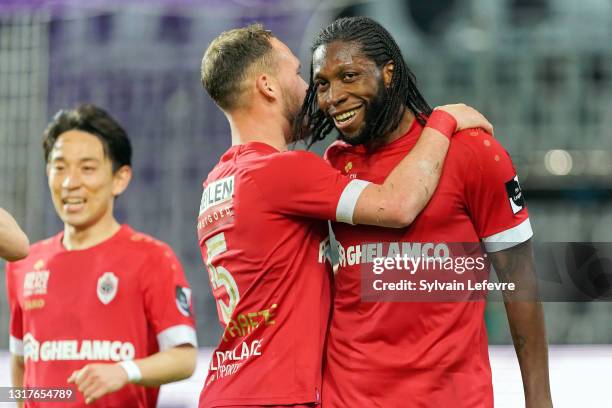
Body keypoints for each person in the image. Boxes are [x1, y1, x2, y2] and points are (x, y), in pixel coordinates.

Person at [198, 23, 492, 408]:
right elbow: (397, 204)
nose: (310, 91)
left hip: (230, 386)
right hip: (275, 394)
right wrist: (441, 122)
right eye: (300, 75)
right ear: (268, 86)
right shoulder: (281, 171)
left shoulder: (216, 183)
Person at [295, 16, 553, 408]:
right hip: (348, 398)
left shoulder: (473, 152)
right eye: (323, 84)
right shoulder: (332, 165)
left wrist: (540, 400)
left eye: (349, 76)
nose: (332, 97)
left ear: (388, 73)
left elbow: (521, 283)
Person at [6, 104, 198, 407]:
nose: (70, 182)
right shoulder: (25, 264)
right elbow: (20, 365)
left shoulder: (152, 257)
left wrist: (125, 371)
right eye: (59, 167)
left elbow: (184, 357)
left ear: (120, 179)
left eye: (87, 168)